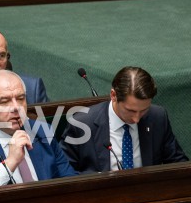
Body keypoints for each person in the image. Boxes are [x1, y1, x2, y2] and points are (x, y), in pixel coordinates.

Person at [60, 66, 188, 173]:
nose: (137, 119)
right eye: (131, 111)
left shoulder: (157, 117)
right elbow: (64, 172)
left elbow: (178, 163)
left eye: (143, 110)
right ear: (113, 95)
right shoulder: (82, 123)